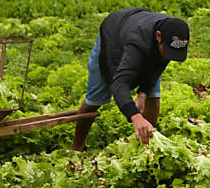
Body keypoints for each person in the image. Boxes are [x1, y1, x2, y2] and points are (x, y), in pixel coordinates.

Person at [72, 8, 189, 151]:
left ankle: (148, 148)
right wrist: (135, 116)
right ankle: (76, 148)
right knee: (95, 98)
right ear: (158, 37)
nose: (170, 56)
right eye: (169, 51)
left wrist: (142, 93)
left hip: (135, 29)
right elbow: (120, 83)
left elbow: (158, 66)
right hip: (113, 36)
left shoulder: (172, 32)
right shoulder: (137, 42)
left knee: (153, 96)